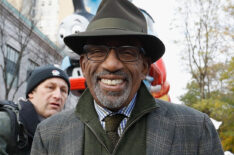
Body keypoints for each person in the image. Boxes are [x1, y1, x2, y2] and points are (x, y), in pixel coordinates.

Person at [31, 0, 224, 154]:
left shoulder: (196, 129)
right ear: (83, 64)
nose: (112, 64)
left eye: (127, 52)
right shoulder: (49, 135)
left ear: (145, 66)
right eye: (98, 51)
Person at [0, 65, 70, 155]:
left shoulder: (69, 135)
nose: (58, 96)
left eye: (63, 90)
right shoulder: (5, 123)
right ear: (31, 93)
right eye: (50, 87)